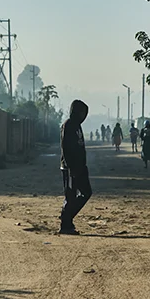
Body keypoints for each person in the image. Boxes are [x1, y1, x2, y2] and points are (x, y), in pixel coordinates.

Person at [59, 99, 92, 235]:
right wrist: (71, 168)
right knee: (71, 195)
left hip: (80, 167)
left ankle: (67, 217)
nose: (84, 116)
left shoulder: (78, 126)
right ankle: (65, 223)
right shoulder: (68, 125)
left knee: (86, 192)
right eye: (82, 113)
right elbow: (65, 148)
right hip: (70, 168)